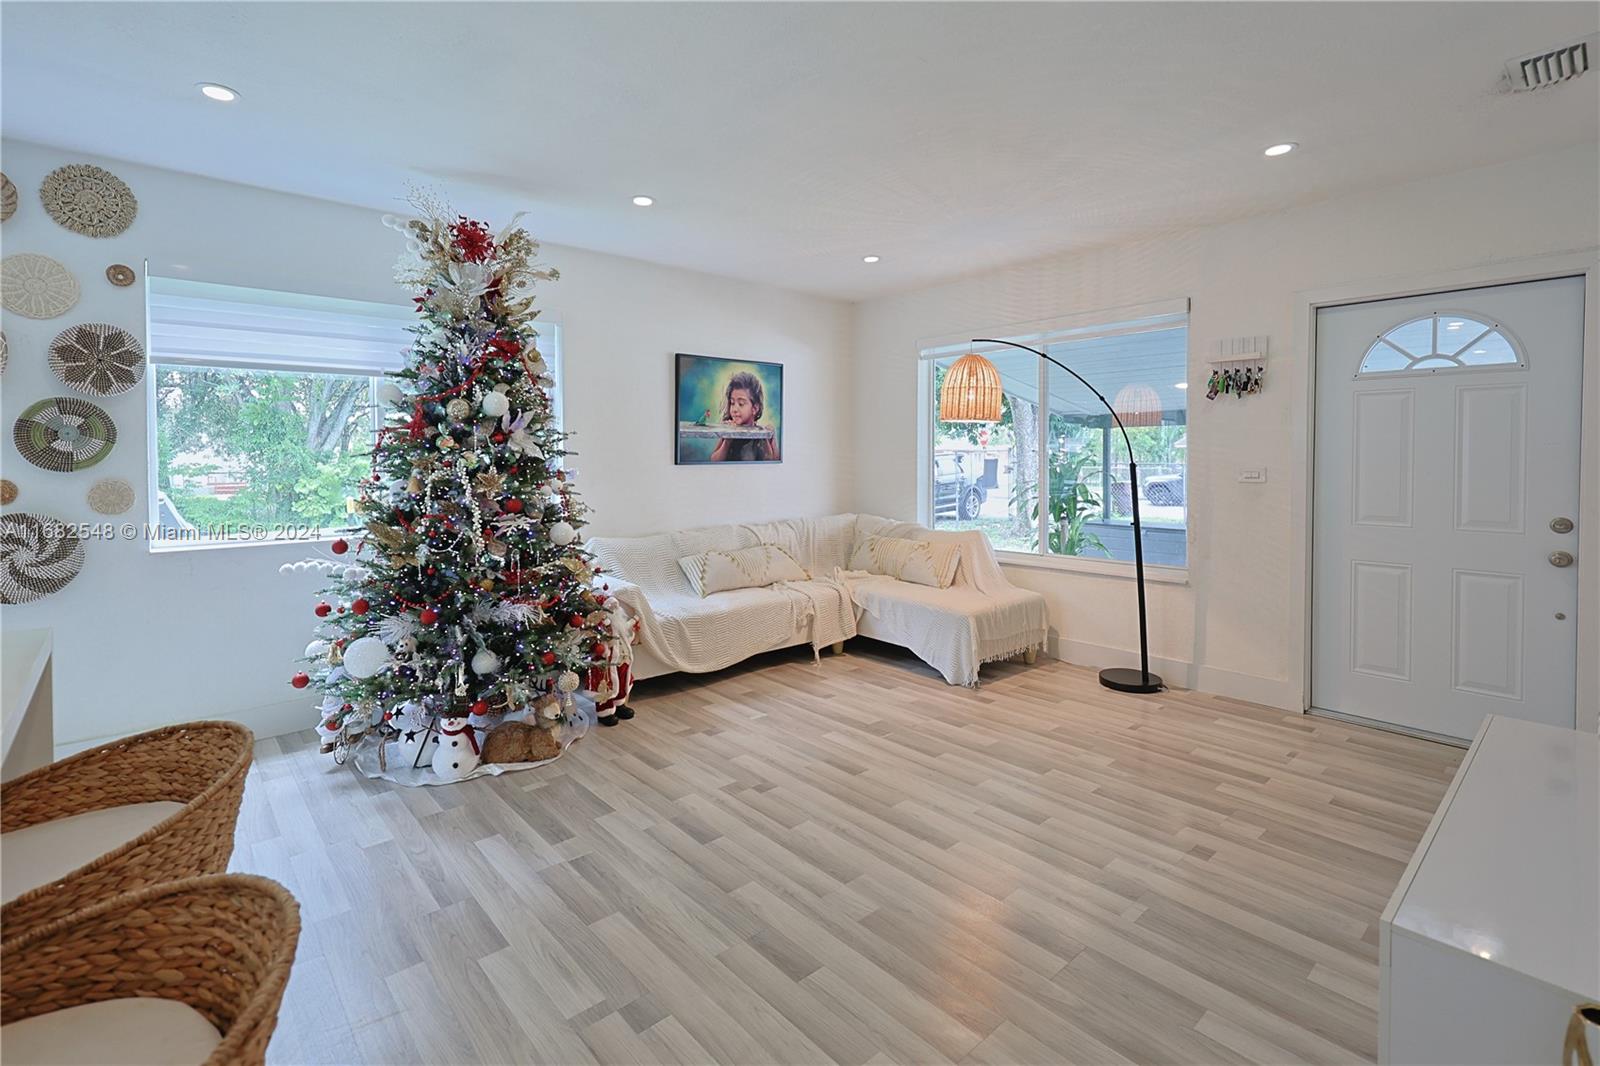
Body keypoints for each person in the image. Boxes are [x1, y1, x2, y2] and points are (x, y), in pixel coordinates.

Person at [709, 371, 780, 461]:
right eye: (732, 403)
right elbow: (714, 460)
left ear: (754, 408)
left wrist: (770, 438)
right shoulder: (728, 429)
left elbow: (772, 461)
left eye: (741, 404)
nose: (734, 409)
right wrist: (727, 441)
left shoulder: (762, 432)